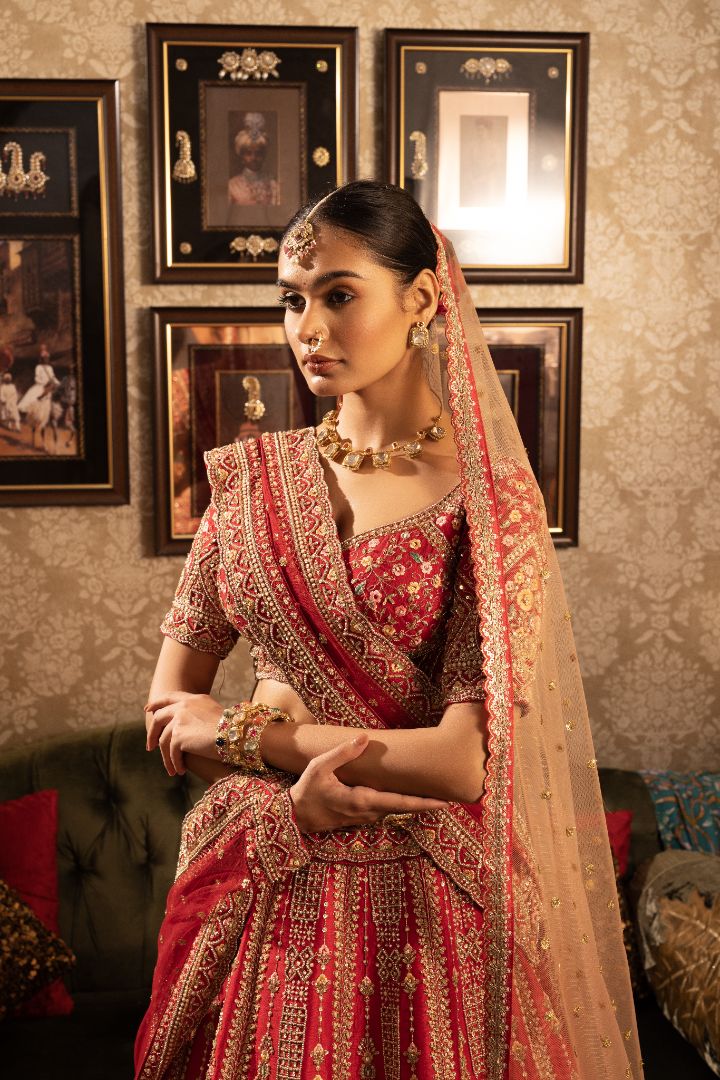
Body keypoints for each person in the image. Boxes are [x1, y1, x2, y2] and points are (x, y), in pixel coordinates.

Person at [137, 181, 642, 1080]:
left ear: (419, 298)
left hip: (434, 912)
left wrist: (249, 729)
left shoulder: (490, 506)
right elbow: (169, 711)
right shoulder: (252, 485)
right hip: (279, 887)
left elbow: (458, 761)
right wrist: (291, 794)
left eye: (339, 293)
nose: (308, 328)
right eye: (293, 300)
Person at [227, 112, 280, 208]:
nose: (253, 158)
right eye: (248, 153)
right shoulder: (232, 186)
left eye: (258, 153)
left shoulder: (274, 186)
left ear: (264, 155)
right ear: (242, 156)